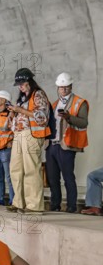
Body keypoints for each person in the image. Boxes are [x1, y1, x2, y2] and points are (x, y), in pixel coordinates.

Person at [6, 68, 51, 214]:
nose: (20, 86)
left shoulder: (38, 94)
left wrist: (20, 110)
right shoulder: (22, 98)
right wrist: (12, 116)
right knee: (15, 169)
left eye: (22, 83)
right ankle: (19, 202)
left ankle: (34, 206)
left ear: (29, 81)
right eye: (18, 84)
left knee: (31, 169)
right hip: (19, 134)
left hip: (32, 134)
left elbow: (42, 116)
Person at [46, 72, 89, 213]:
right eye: (61, 87)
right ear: (57, 88)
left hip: (66, 145)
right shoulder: (53, 104)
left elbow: (83, 123)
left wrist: (69, 117)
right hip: (52, 145)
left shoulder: (79, 102)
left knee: (68, 177)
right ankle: (55, 205)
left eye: (66, 87)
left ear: (71, 86)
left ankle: (71, 206)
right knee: (52, 178)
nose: (63, 89)